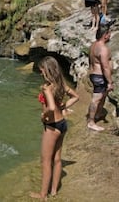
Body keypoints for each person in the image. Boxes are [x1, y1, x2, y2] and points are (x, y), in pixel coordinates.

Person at [30, 56, 79, 200]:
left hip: (52, 127)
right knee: (57, 160)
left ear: (47, 70)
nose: (41, 74)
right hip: (62, 124)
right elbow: (76, 96)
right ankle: (54, 192)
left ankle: (42, 195)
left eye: (42, 71)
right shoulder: (60, 83)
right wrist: (64, 106)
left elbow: (50, 107)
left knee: (45, 161)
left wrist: (43, 115)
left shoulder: (46, 87)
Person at [86, 23, 114, 131]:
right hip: (100, 76)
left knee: (102, 95)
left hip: (95, 74)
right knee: (96, 99)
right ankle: (91, 122)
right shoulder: (103, 49)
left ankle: (98, 113)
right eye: (109, 33)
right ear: (105, 35)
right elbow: (105, 67)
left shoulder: (93, 45)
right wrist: (110, 82)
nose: (110, 35)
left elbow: (90, 61)